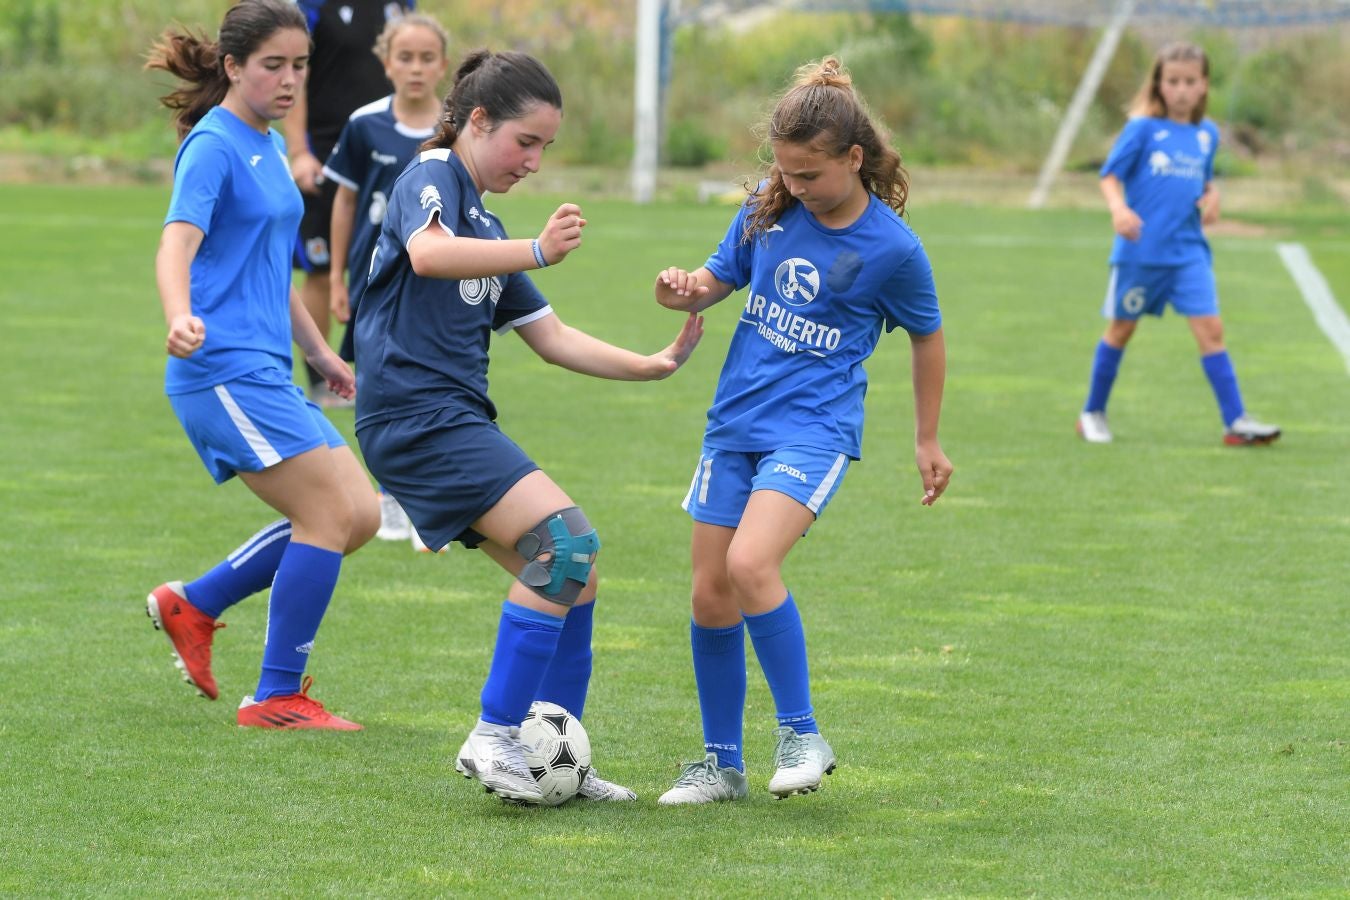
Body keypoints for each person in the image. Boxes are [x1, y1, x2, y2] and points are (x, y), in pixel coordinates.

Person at [353, 49, 705, 804]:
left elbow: (551, 338)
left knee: (576, 578)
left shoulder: (485, 219)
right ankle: (495, 734)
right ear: (477, 121)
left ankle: (559, 759)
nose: (536, 162)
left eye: (546, 147)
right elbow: (426, 254)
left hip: (446, 419)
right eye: (526, 142)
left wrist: (652, 365)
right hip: (415, 417)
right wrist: (539, 250)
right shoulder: (433, 176)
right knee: (566, 543)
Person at [650, 57, 952, 805]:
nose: (795, 188)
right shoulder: (768, 203)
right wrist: (686, 289)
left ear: (853, 158)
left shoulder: (893, 250)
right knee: (710, 594)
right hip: (735, 423)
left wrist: (927, 439)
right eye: (784, 173)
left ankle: (802, 733)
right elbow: (721, 274)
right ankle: (721, 765)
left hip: (814, 430)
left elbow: (928, 335)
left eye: (809, 175)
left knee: (753, 566)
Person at [144, 0, 380, 729]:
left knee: (361, 516)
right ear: (233, 66)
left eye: (299, 66)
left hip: (267, 367)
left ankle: (196, 602)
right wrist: (178, 314)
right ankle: (276, 693)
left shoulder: (269, 143)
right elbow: (175, 245)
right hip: (220, 369)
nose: (288, 79)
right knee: (326, 513)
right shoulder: (214, 145)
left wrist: (321, 355)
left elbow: (268, 275)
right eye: (272, 65)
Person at [1076, 42, 1280, 447]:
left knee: (1212, 330)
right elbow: (1109, 175)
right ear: (1159, 85)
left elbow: (1202, 180)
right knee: (1121, 329)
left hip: (1189, 253)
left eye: (1190, 81)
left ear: (1204, 85)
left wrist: (1213, 195)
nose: (1182, 89)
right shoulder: (1142, 129)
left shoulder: (1208, 134)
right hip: (1141, 253)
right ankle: (1092, 412)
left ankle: (1235, 421)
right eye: (1173, 81)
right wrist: (1118, 209)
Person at [322, 12, 450, 543]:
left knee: (437, 386)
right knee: (377, 389)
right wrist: (334, 276)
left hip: (436, 286)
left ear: (443, 65)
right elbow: (345, 199)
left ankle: (431, 500)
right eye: (405, 57)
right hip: (373, 284)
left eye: (426, 58)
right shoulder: (364, 123)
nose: (415, 69)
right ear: (385, 62)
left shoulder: (460, 126)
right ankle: (391, 496)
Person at [285, 0, 415, 406]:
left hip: (386, 154)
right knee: (322, 271)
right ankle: (323, 380)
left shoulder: (401, 5)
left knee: (397, 265)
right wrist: (298, 152)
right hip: (324, 152)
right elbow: (294, 73)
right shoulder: (310, 6)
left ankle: (391, 378)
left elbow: (411, 65)